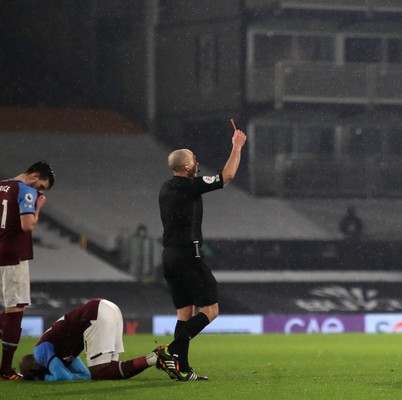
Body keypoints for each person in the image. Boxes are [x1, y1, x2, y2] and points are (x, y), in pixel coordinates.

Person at [158, 127, 247, 381]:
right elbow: (227, 176)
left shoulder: (166, 188)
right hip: (188, 255)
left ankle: (182, 369)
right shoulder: (189, 187)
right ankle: (169, 353)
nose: (197, 162)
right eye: (194, 159)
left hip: (169, 256)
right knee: (211, 309)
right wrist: (237, 147)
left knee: (184, 315)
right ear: (187, 167)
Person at [18, 298, 178, 381]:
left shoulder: (41, 352)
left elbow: (63, 377)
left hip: (95, 313)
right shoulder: (58, 352)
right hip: (108, 308)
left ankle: (156, 357)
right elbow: (84, 375)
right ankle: (155, 358)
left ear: (33, 369)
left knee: (100, 372)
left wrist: (44, 378)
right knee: (108, 371)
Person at [0, 160, 55, 380]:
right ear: (34, 175)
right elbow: (27, 225)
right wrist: (39, 206)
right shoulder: (26, 191)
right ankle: (5, 370)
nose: (40, 190)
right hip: (14, 256)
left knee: (14, 311)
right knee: (15, 313)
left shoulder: (2, 185)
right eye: (41, 185)